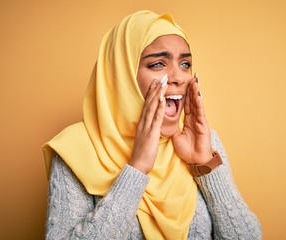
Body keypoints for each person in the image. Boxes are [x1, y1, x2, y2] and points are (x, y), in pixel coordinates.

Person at [42, 10, 262, 240]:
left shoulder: (203, 141)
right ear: (122, 74)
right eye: (158, 64)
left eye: (185, 63)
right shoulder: (77, 151)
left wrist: (205, 165)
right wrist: (137, 169)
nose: (179, 77)